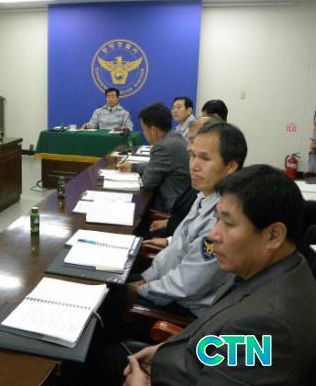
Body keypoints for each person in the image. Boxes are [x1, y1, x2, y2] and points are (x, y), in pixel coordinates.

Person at [117, 165, 316, 386]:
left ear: (274, 235)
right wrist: (165, 349)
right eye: (216, 219)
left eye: (228, 223)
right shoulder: (275, 267)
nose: (213, 234)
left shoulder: (267, 326)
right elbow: (218, 340)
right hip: (177, 361)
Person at [128, 121, 247, 319]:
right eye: (192, 155)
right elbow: (176, 249)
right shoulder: (205, 194)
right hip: (164, 283)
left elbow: (186, 285)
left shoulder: (222, 219)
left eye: (205, 158)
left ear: (231, 166)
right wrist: (145, 279)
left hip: (182, 307)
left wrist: (139, 289)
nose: (194, 166)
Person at [119, 102, 190, 213]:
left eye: (144, 130)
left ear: (153, 130)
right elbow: (158, 166)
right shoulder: (174, 136)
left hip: (169, 207)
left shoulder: (163, 146)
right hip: (183, 200)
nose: (144, 133)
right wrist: (133, 167)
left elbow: (147, 182)